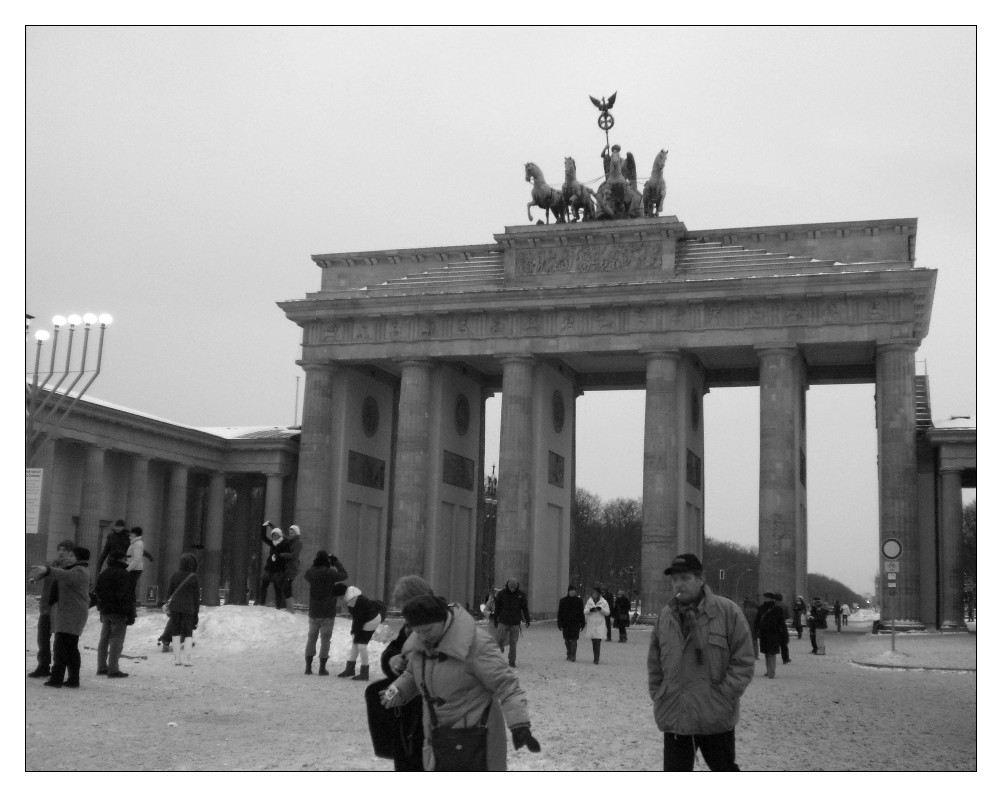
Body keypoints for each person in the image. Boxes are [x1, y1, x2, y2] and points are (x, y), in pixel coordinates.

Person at [379, 594, 541, 771]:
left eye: (428, 630)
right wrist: (398, 690)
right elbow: (412, 673)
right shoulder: (420, 642)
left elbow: (507, 685)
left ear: (443, 620)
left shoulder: (475, 644)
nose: (423, 637)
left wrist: (519, 725)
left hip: (476, 738)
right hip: (438, 737)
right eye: (418, 632)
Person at [647, 553, 754, 771]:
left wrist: (724, 696)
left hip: (715, 716)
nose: (679, 584)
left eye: (685, 578)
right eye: (675, 579)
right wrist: (659, 694)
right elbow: (655, 663)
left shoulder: (728, 612)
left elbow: (743, 661)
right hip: (676, 714)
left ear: (700, 579)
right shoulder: (665, 616)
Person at [364, 574, 435, 771]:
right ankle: (392, 750)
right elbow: (393, 649)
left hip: (428, 706)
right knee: (375, 693)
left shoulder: (435, 624)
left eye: (406, 610)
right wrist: (392, 659)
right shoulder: (412, 624)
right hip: (408, 702)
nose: (405, 616)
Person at [28, 545, 92, 689]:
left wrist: (47, 570)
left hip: (72, 614)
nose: (68, 557)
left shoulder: (79, 571)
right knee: (69, 646)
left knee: (61, 646)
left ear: (78, 558)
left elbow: (64, 575)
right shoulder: (76, 569)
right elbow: (60, 574)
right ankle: (72, 679)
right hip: (70, 613)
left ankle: (57, 679)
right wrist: (42, 572)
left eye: (71, 555)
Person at [27, 542, 71, 679]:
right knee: (43, 638)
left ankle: (58, 668)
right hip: (46, 606)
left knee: (60, 639)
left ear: (70, 552)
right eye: (60, 549)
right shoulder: (50, 564)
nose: (61, 552)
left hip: (61, 608)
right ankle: (43, 666)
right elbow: (39, 572)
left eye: (65, 550)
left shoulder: (72, 567)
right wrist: (33, 577)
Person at [303, 550, 348, 675]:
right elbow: (344, 575)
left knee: (311, 638)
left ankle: (308, 667)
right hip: (328, 611)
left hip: (314, 610)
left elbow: (307, 574)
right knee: (325, 639)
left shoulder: (311, 572)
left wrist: (316, 563)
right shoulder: (331, 573)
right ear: (327, 561)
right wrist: (336, 562)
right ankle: (322, 668)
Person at [94, 550, 136, 678]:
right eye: (125, 558)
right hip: (119, 611)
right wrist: (130, 612)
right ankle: (113, 669)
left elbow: (97, 591)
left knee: (104, 638)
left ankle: (101, 667)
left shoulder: (104, 573)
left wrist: (101, 607)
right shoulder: (124, 575)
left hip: (105, 610)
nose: (126, 560)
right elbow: (126, 596)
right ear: (121, 560)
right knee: (116, 639)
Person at [337, 585, 385, 681]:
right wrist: (354, 632)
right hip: (371, 617)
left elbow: (359, 619)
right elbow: (357, 618)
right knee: (356, 643)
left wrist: (355, 631)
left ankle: (364, 673)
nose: (339, 600)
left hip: (372, 619)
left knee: (361, 645)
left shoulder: (353, 602)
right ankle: (350, 669)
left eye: (339, 597)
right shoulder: (353, 597)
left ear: (342, 595)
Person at [166, 552, 201, 666]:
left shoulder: (175, 575)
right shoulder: (194, 577)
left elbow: (170, 592)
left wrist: (168, 606)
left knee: (175, 632)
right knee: (188, 633)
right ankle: (187, 659)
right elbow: (196, 597)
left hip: (175, 607)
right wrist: (196, 613)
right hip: (189, 608)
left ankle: (177, 659)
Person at [492, 578, 531, 667]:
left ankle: (512, 661)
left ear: (517, 587)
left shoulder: (521, 595)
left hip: (515, 623)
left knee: (513, 643)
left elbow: (524, 608)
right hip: (503, 621)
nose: (512, 589)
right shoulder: (502, 594)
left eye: (514, 588)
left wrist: (527, 618)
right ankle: (495, 658)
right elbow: (497, 607)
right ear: (508, 586)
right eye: (511, 587)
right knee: (499, 639)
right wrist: (495, 618)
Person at [755, 592, 789, 679]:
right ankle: (769, 670)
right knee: (767, 653)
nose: (765, 599)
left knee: (772, 653)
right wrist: (756, 630)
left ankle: (771, 672)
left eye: (766, 598)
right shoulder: (762, 608)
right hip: (764, 633)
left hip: (774, 633)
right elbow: (757, 621)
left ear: (771, 599)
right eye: (765, 598)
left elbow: (781, 622)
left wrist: (784, 634)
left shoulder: (777, 609)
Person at [259, 522, 289, 609]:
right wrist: (264, 526)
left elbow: (286, 555)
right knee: (264, 586)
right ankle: (261, 604)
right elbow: (263, 537)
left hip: (278, 570)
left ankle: (278, 606)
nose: (274, 537)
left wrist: (277, 556)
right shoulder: (272, 543)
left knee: (277, 589)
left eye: (275, 535)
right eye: (273, 535)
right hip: (269, 568)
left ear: (279, 535)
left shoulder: (284, 544)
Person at [556, 584, 586, 661]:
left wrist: (582, 622)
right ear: (568, 592)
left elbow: (581, 613)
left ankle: (573, 655)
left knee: (574, 640)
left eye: (574, 591)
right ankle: (569, 652)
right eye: (571, 591)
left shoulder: (579, 601)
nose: (572, 592)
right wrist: (559, 623)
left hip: (575, 623)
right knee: (567, 640)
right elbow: (560, 613)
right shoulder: (563, 601)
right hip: (566, 623)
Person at [124, 526, 153, 601]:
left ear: (134, 534)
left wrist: (127, 569)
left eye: (131, 533)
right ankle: (131, 606)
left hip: (134, 569)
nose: (130, 535)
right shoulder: (137, 543)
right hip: (136, 568)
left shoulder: (136, 544)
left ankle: (131, 606)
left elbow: (136, 559)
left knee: (130, 589)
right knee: (131, 588)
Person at [584, 585, 610, 664]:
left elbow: (607, 613)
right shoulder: (589, 602)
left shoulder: (604, 602)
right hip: (592, 624)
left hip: (600, 624)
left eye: (595, 593)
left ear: (599, 594)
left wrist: (601, 609)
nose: (593, 595)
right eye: (592, 593)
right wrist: (590, 610)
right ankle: (595, 657)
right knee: (594, 642)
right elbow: (585, 611)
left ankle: (596, 658)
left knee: (597, 642)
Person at [280, 524, 303, 612]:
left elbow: (294, 555)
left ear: (296, 533)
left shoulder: (298, 543)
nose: (290, 535)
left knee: (287, 586)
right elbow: (281, 534)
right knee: (286, 586)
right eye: (290, 533)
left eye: (292, 533)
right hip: (288, 567)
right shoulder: (290, 541)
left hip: (292, 568)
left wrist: (282, 555)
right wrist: (271, 525)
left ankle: (290, 608)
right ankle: (289, 607)